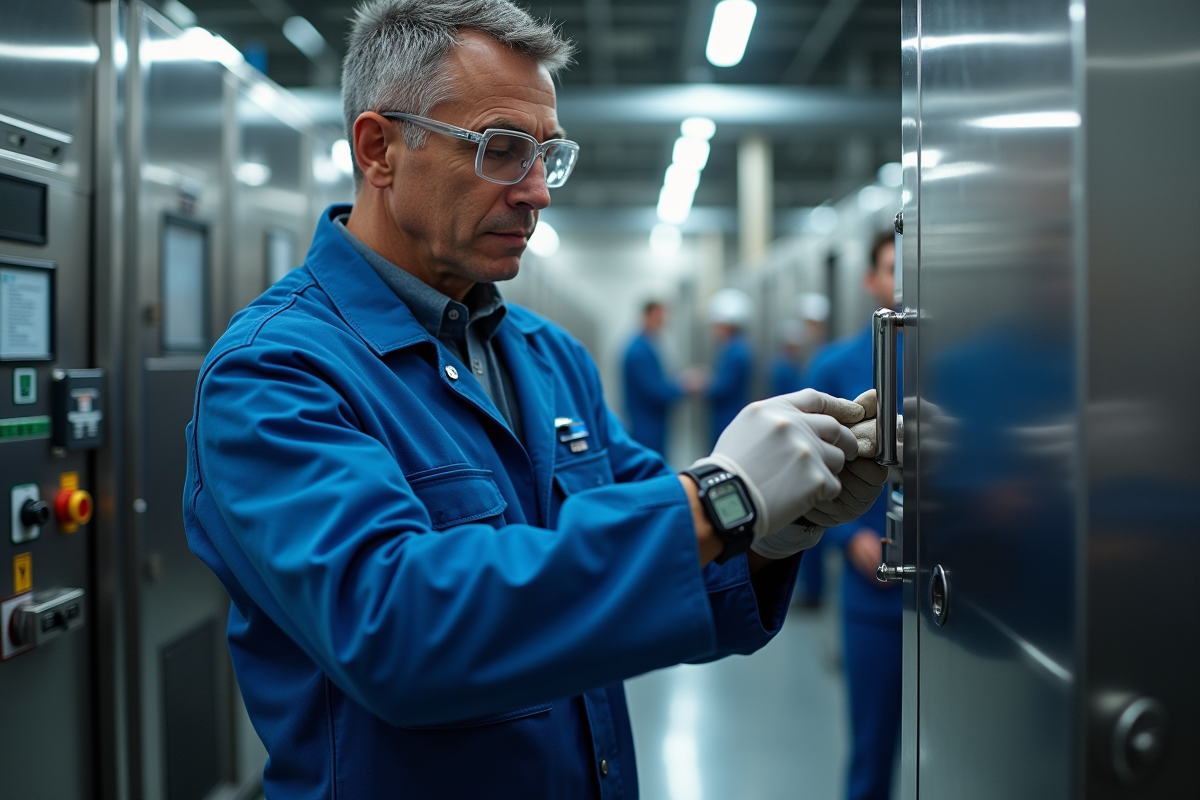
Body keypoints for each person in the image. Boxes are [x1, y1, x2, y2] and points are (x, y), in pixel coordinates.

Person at [181, 2, 888, 797]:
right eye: (502, 150)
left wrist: (770, 532)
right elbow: (397, 632)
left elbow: (666, 578)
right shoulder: (275, 374)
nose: (537, 192)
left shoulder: (548, 359)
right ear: (379, 149)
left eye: (548, 154)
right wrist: (722, 500)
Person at [805, 230, 901, 800]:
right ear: (870, 280)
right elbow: (807, 471)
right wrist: (849, 540)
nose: (904, 281)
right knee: (873, 751)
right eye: (892, 268)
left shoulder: (963, 363)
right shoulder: (836, 365)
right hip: (875, 592)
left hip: (962, 583)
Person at [622, 300, 697, 456]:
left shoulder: (647, 346)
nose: (664, 320)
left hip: (653, 423)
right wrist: (685, 385)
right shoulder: (639, 351)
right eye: (660, 315)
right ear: (647, 315)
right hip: (647, 426)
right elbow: (655, 392)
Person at [706, 287, 755, 445]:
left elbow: (724, 388)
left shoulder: (736, 351)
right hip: (725, 418)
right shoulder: (732, 348)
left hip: (728, 419)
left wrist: (702, 384)